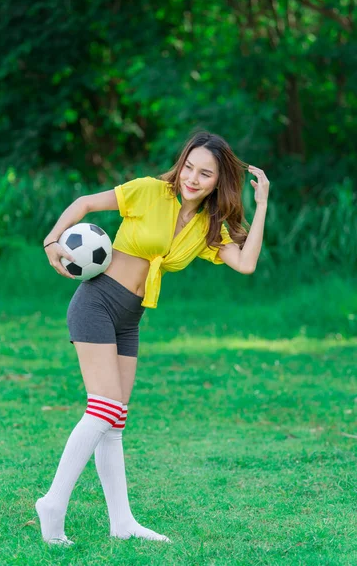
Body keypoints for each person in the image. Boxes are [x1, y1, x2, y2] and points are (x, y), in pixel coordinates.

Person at [36, 129, 270, 545]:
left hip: (129, 318)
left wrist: (263, 203)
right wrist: (52, 239)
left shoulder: (206, 227)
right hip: (96, 303)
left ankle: (122, 523)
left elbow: (247, 263)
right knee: (104, 406)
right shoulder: (148, 191)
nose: (192, 179)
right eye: (189, 168)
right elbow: (85, 203)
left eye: (205, 174)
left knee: (115, 420)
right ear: (180, 164)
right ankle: (53, 503)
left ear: (219, 181)